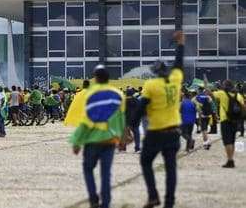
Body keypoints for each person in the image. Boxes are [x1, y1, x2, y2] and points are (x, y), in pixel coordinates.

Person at [134, 31, 185, 208]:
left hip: (156, 132)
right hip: (174, 132)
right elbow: (179, 63)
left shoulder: (151, 85)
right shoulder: (176, 80)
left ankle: (153, 195)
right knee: (171, 168)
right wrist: (180, 44)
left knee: (146, 161)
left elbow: (141, 108)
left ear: (155, 72)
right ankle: (169, 203)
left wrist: (129, 126)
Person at [69, 65, 126, 208]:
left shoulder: (90, 94)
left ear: (96, 78)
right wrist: (122, 139)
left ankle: (93, 199)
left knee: (88, 169)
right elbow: (121, 119)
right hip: (110, 140)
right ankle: (105, 203)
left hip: (93, 141)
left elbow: (86, 120)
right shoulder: (118, 94)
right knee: (106, 173)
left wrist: (76, 141)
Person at [209, 80, 245, 168]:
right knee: (232, 141)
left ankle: (230, 160)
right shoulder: (238, 95)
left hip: (225, 120)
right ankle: (231, 159)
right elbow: (243, 106)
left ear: (224, 86)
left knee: (227, 142)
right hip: (235, 120)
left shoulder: (222, 93)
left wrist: (208, 89)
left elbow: (211, 94)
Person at [120, 88, 141, 153]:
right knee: (136, 134)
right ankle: (137, 148)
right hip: (135, 120)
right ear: (133, 93)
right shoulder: (137, 100)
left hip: (126, 120)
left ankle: (123, 148)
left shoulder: (123, 101)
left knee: (124, 134)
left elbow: (120, 111)